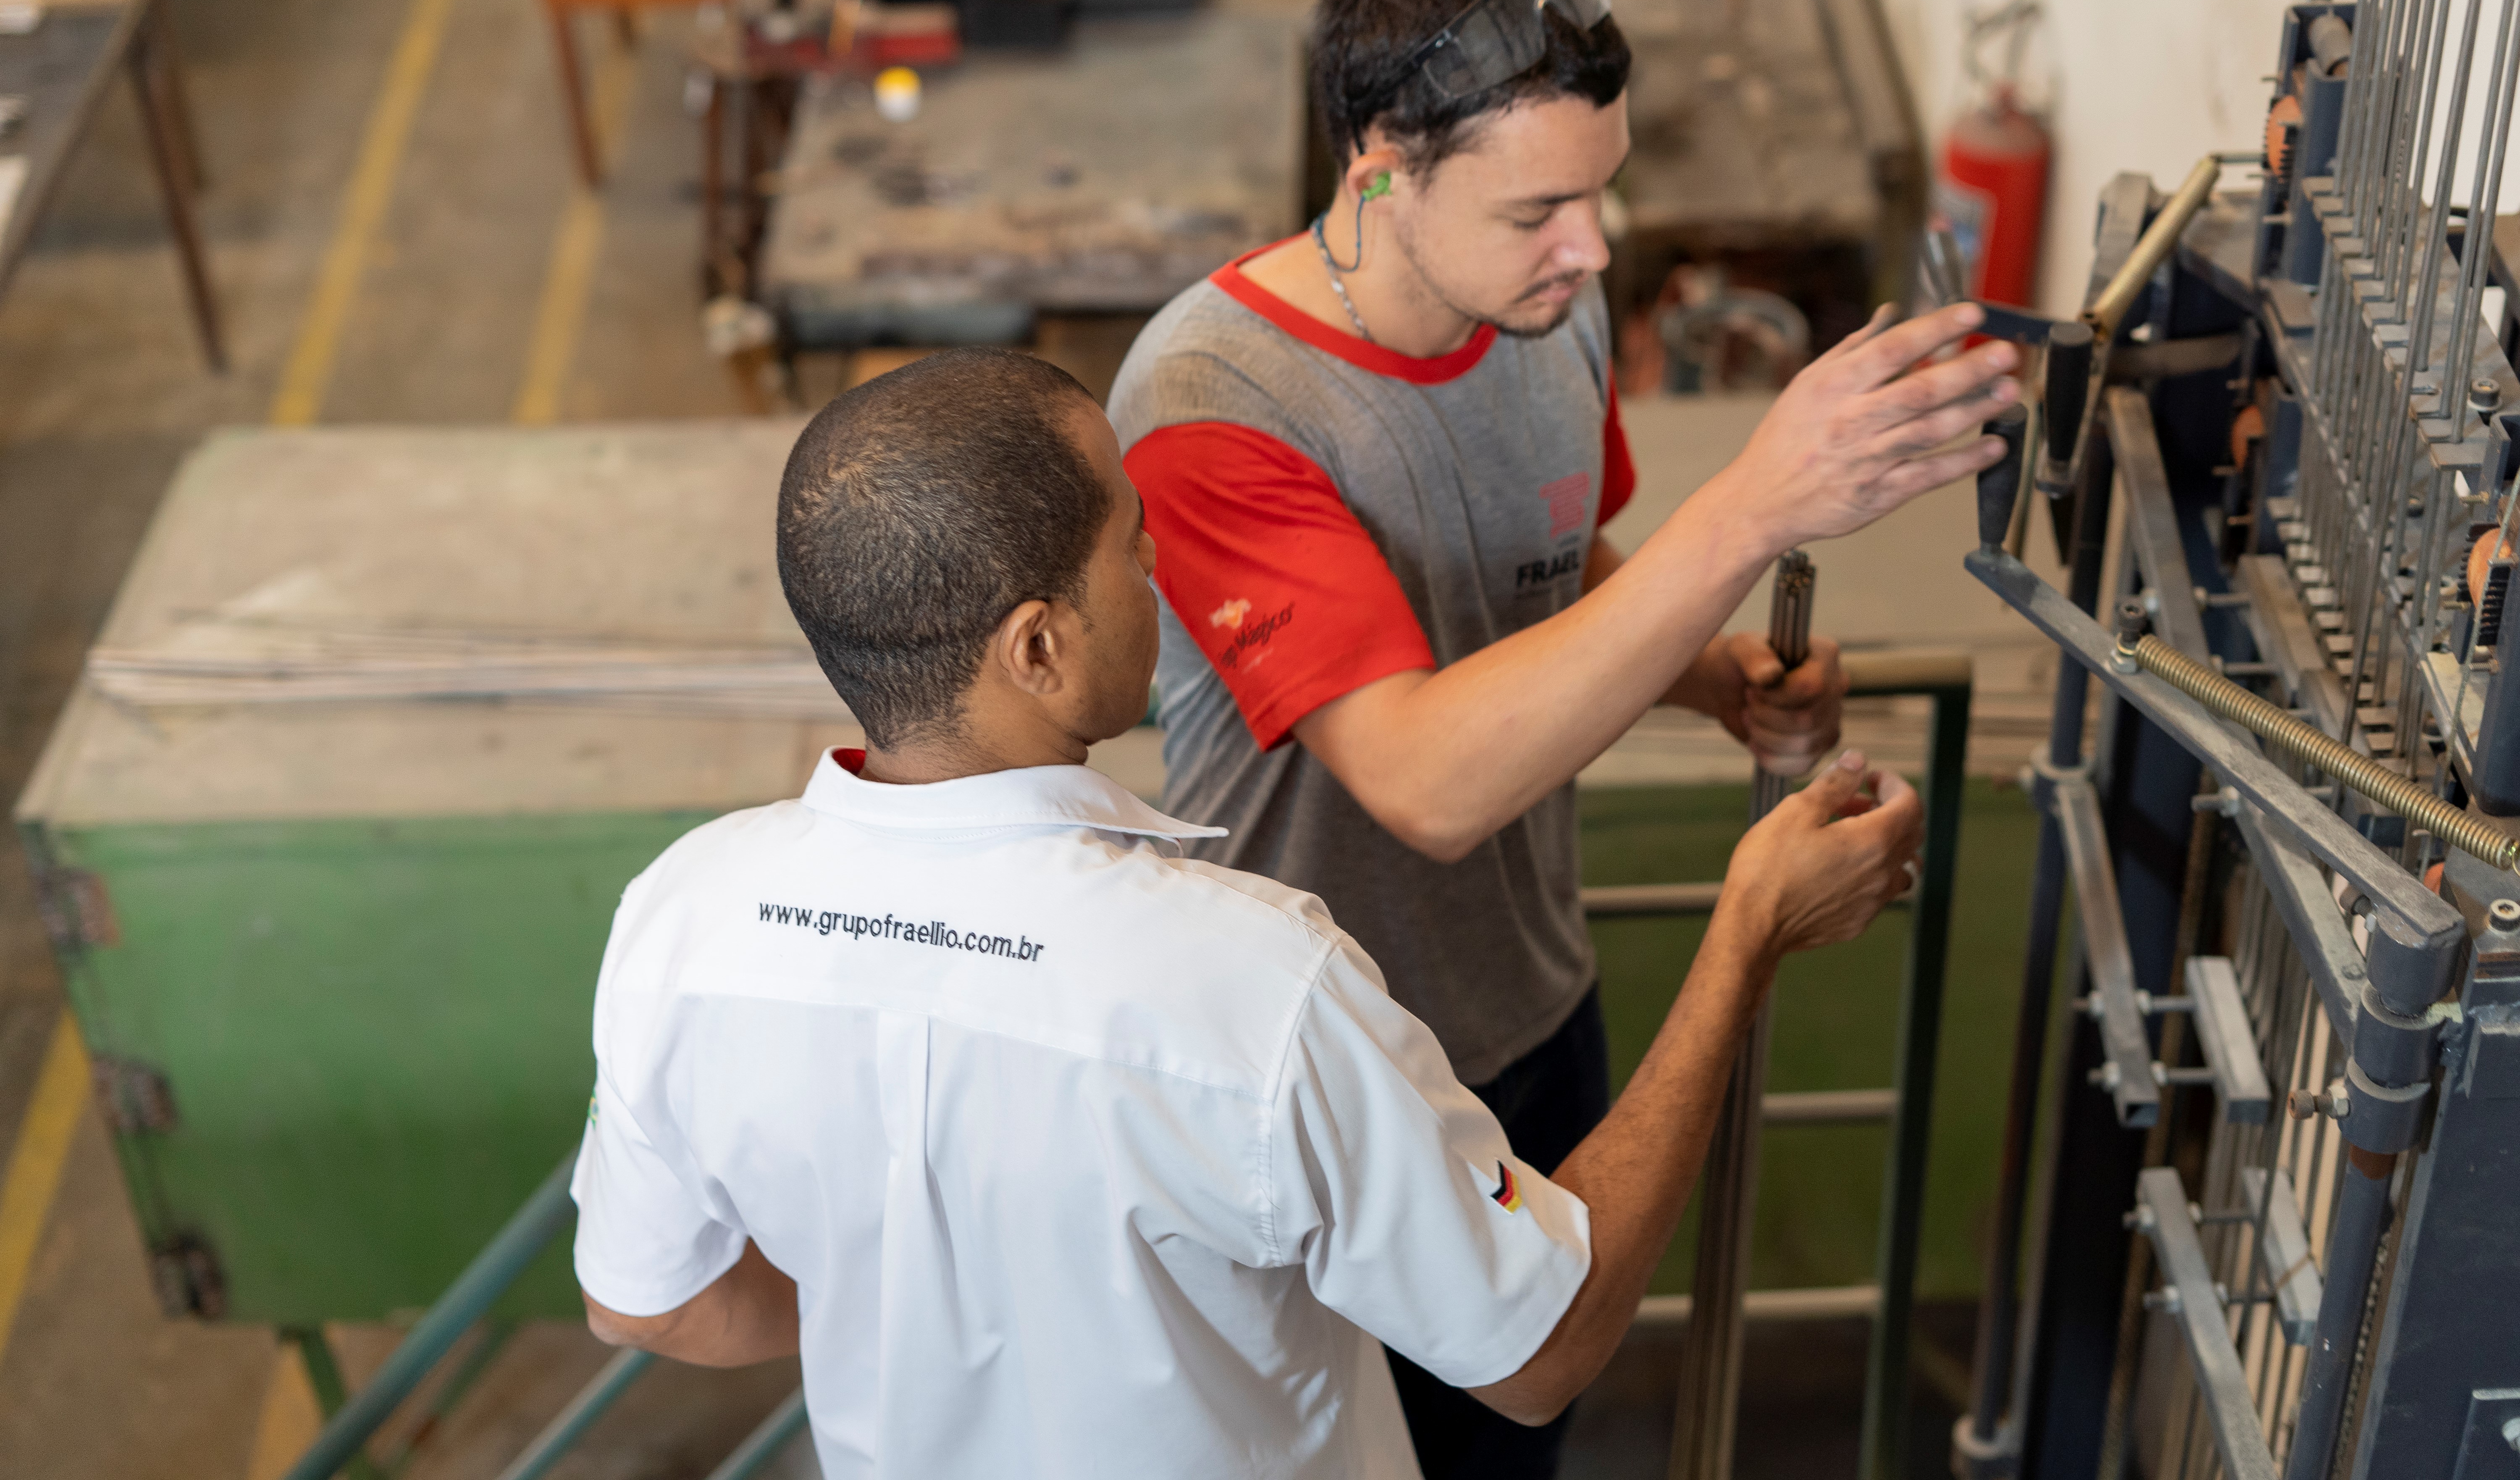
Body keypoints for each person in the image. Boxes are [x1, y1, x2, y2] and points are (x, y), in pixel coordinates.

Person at [570, 347, 1933, 1480]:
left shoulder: (683, 921)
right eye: (1128, 535)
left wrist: (932, 1305)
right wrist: (1748, 929)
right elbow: (1540, 1351)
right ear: (1036, 646)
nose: (1158, 560)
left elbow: (652, 1299)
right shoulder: (1249, 987)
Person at [1103, 0, 2019, 1476]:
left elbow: (1555, 562)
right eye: (1540, 209)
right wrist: (1754, 508)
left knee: (1515, 1445)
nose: (1594, 249)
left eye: (1600, 193)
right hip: (1316, 1078)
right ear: (1380, 169)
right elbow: (1425, 779)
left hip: (1535, 1015)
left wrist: (1722, 681)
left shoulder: (1548, 308)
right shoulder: (1214, 404)